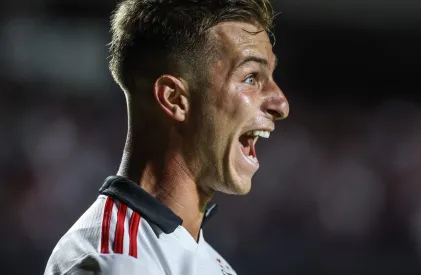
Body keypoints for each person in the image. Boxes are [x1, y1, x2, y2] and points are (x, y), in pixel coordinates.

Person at [44, 0, 289, 274]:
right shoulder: (117, 262)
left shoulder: (216, 265)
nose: (281, 104)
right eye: (251, 78)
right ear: (175, 99)